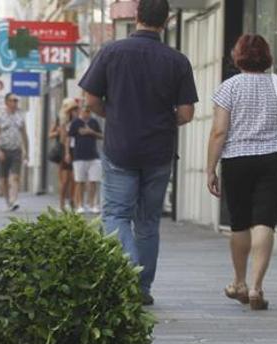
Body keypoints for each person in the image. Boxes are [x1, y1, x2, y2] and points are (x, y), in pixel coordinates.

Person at [79, 0, 198, 305]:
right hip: (159, 152)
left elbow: (90, 100)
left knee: (116, 214)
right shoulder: (178, 61)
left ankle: (129, 268)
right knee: (148, 222)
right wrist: (160, 120)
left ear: (136, 16)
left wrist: (114, 115)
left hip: (120, 148)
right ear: (167, 20)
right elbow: (186, 114)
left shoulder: (111, 52)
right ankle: (142, 288)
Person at [206, 34, 277, 310]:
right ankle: (257, 288)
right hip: (274, 161)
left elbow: (219, 132)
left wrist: (210, 169)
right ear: (267, 56)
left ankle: (239, 282)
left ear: (237, 56)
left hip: (237, 161)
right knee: (265, 221)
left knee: (240, 222)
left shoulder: (229, 88)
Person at [0, 93, 29, 211]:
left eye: (16, 101)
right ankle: (8, 202)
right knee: (3, 179)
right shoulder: (0, 117)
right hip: (3, 150)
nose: (15, 103)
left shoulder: (20, 116)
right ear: (6, 102)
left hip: (16, 151)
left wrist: (26, 151)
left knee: (15, 177)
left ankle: (14, 200)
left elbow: (24, 135)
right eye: (13, 100)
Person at [69, 105, 104, 213]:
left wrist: (91, 132)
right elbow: (68, 138)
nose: (87, 113)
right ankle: (80, 205)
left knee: (94, 180)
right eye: (85, 111)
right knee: (80, 181)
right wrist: (67, 153)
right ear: (81, 111)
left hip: (94, 156)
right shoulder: (75, 123)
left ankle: (93, 204)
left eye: (89, 111)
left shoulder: (94, 122)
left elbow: (102, 136)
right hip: (79, 156)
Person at [57, 99, 79, 210]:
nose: (76, 112)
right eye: (73, 110)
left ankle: (72, 200)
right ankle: (61, 203)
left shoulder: (80, 122)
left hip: (78, 150)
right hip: (66, 150)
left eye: (76, 109)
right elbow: (62, 139)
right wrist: (66, 153)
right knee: (65, 180)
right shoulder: (65, 123)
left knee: (75, 179)